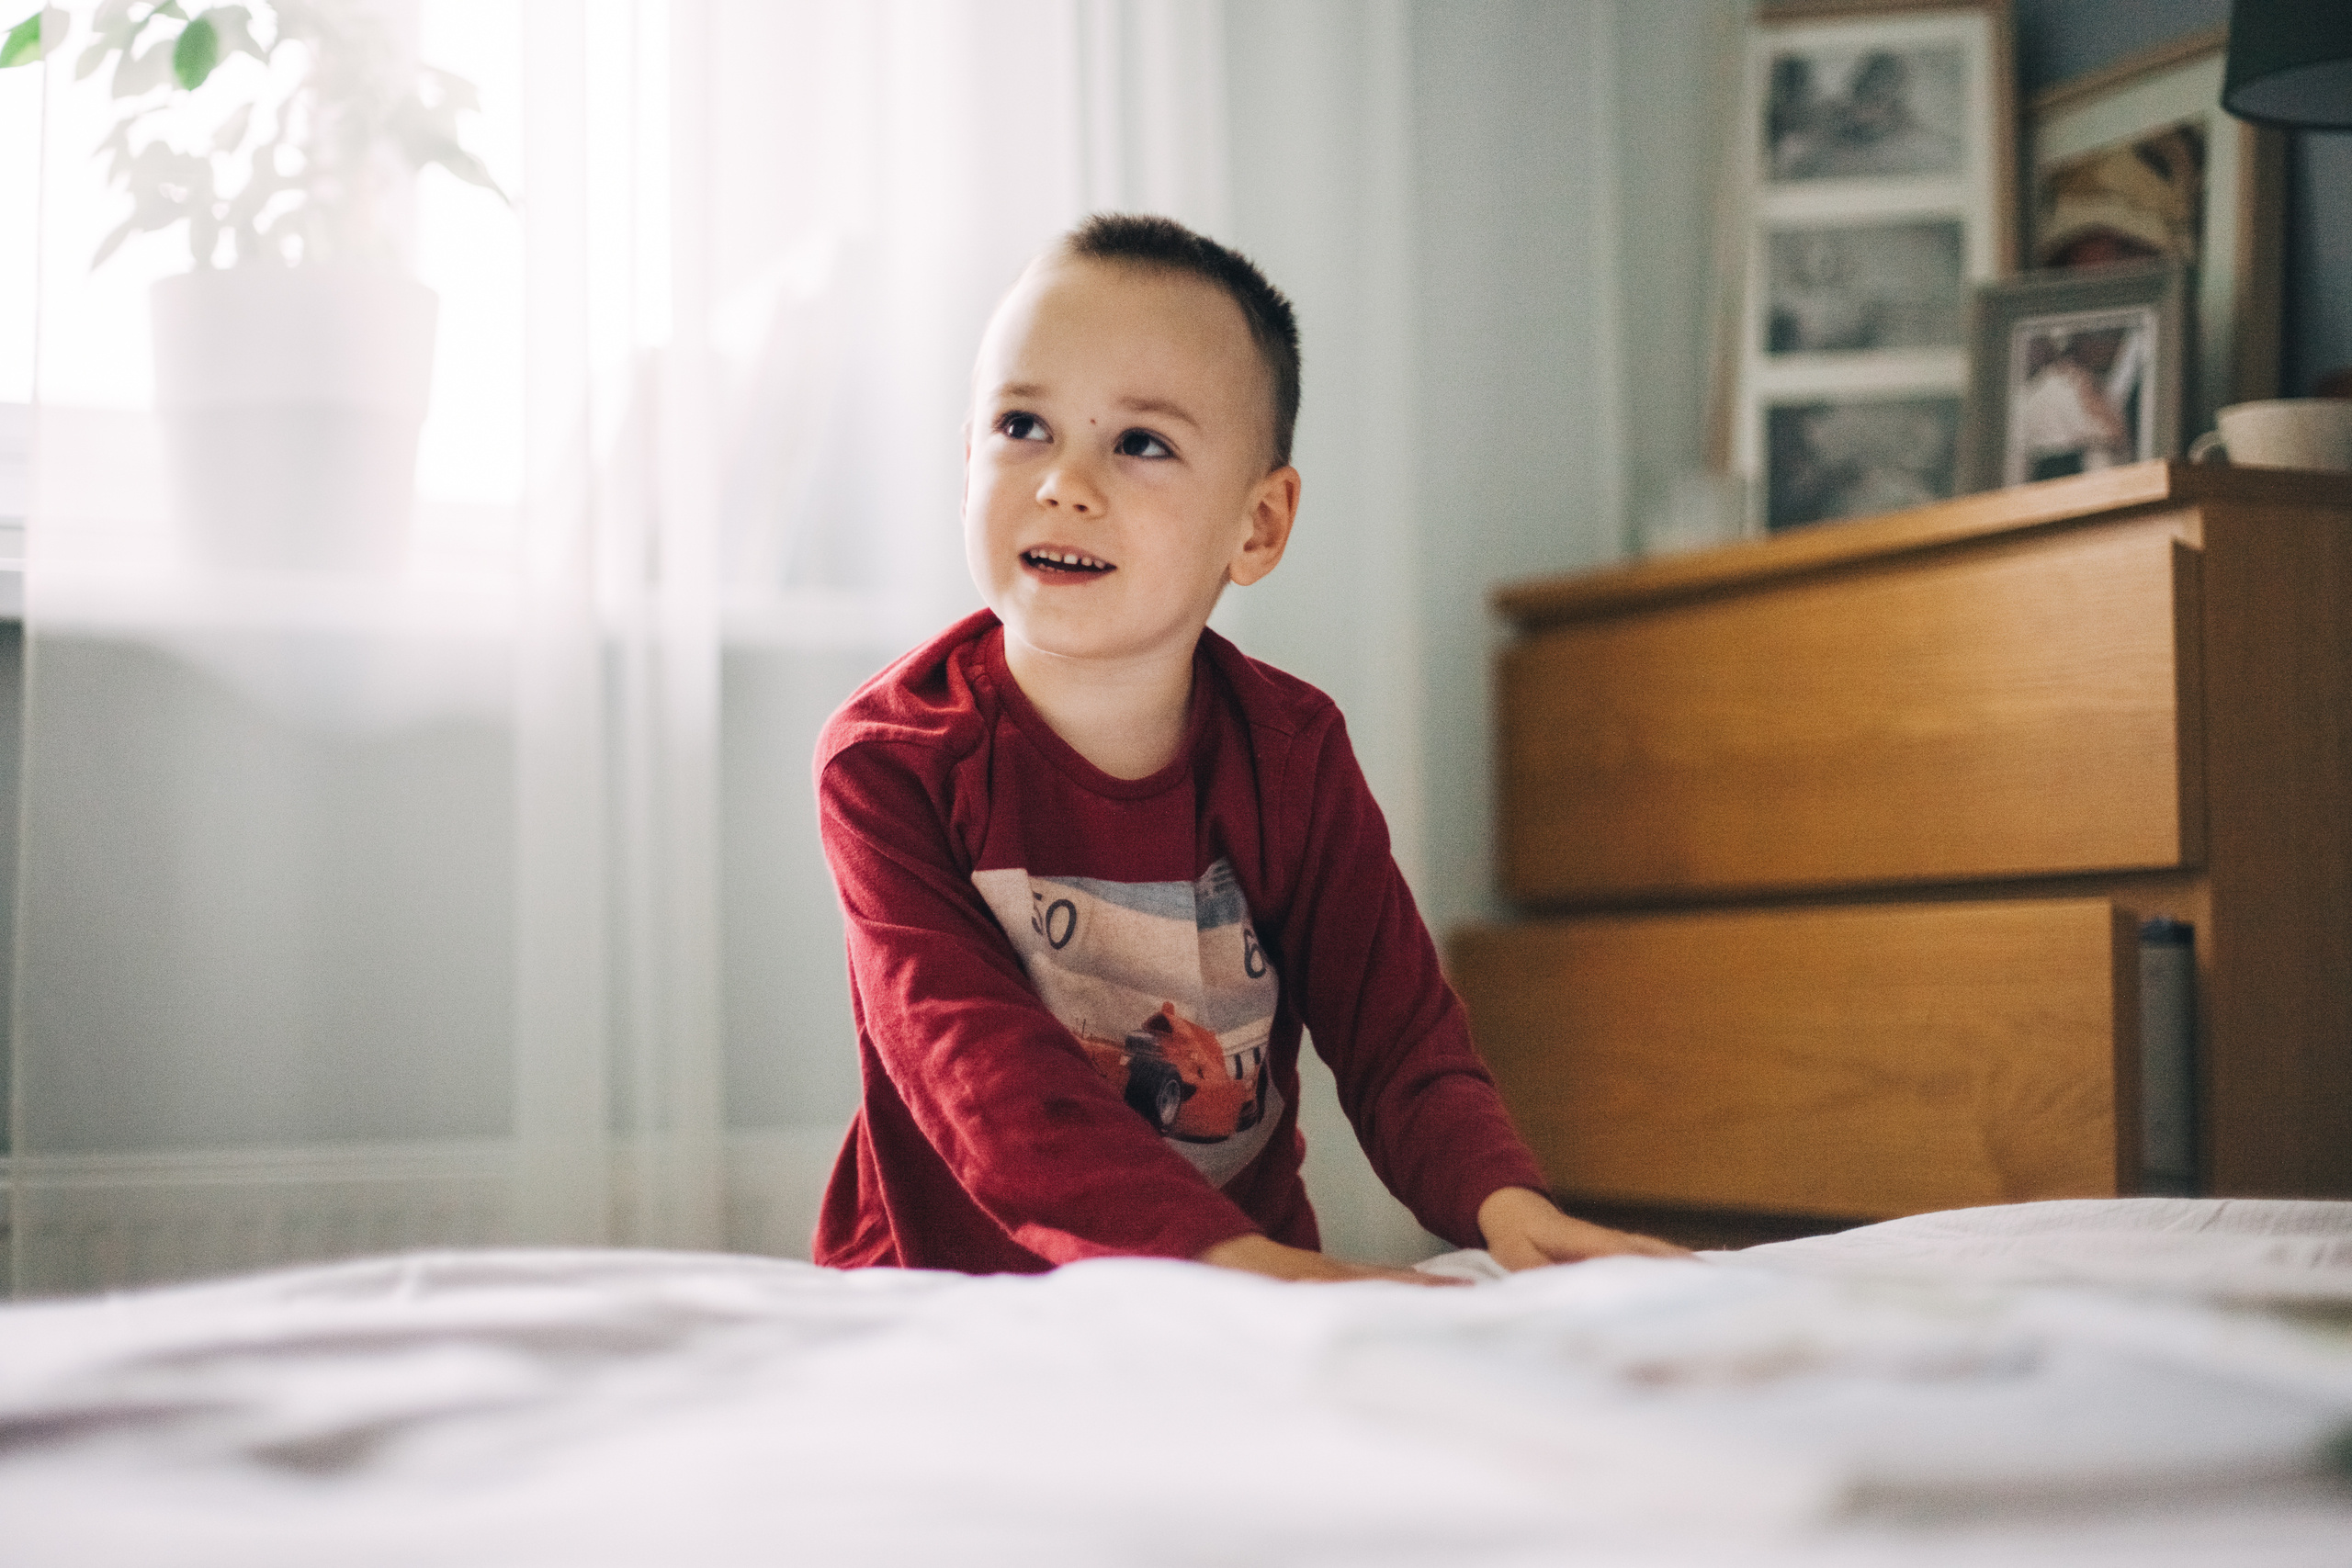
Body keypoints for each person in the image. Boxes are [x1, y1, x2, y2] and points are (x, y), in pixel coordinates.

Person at [811, 214, 1684, 1283]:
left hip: (1242, 1286)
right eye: (1022, 427)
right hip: (953, 1292)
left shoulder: (1291, 755)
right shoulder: (889, 761)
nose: (1063, 482)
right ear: (965, 464)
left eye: (1141, 443)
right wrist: (1223, 1257)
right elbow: (980, 1075)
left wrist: (1503, 1204)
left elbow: (1397, 1034)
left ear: (1258, 527)